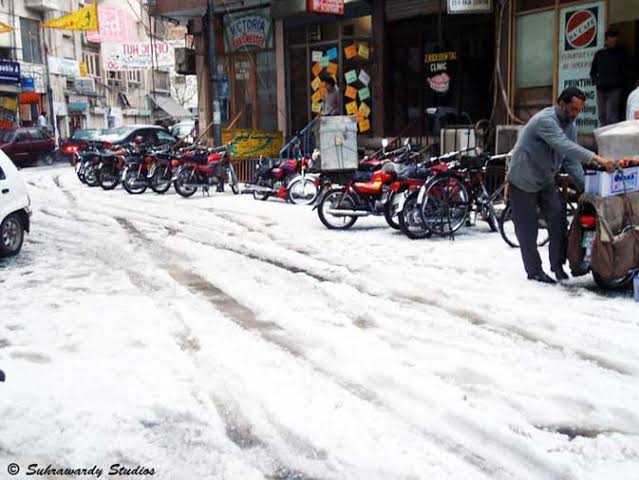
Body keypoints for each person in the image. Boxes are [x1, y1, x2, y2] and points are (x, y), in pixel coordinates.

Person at [507, 87, 616, 284]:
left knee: (558, 219)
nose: (575, 114)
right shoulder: (545, 120)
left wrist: (586, 187)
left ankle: (557, 266)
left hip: (545, 179)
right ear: (562, 103)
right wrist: (596, 158)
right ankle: (534, 271)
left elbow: (570, 160)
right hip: (523, 178)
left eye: (579, 110)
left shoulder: (571, 127)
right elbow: (563, 146)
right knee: (527, 228)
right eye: (573, 109)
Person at [590, 28, 629, 127]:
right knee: (602, 116)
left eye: (614, 41)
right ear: (606, 40)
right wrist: (596, 81)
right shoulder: (599, 54)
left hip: (615, 90)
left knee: (612, 117)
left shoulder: (621, 54)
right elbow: (593, 71)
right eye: (610, 41)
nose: (612, 43)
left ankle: (612, 139)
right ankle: (602, 140)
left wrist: (619, 83)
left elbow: (626, 70)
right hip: (601, 89)